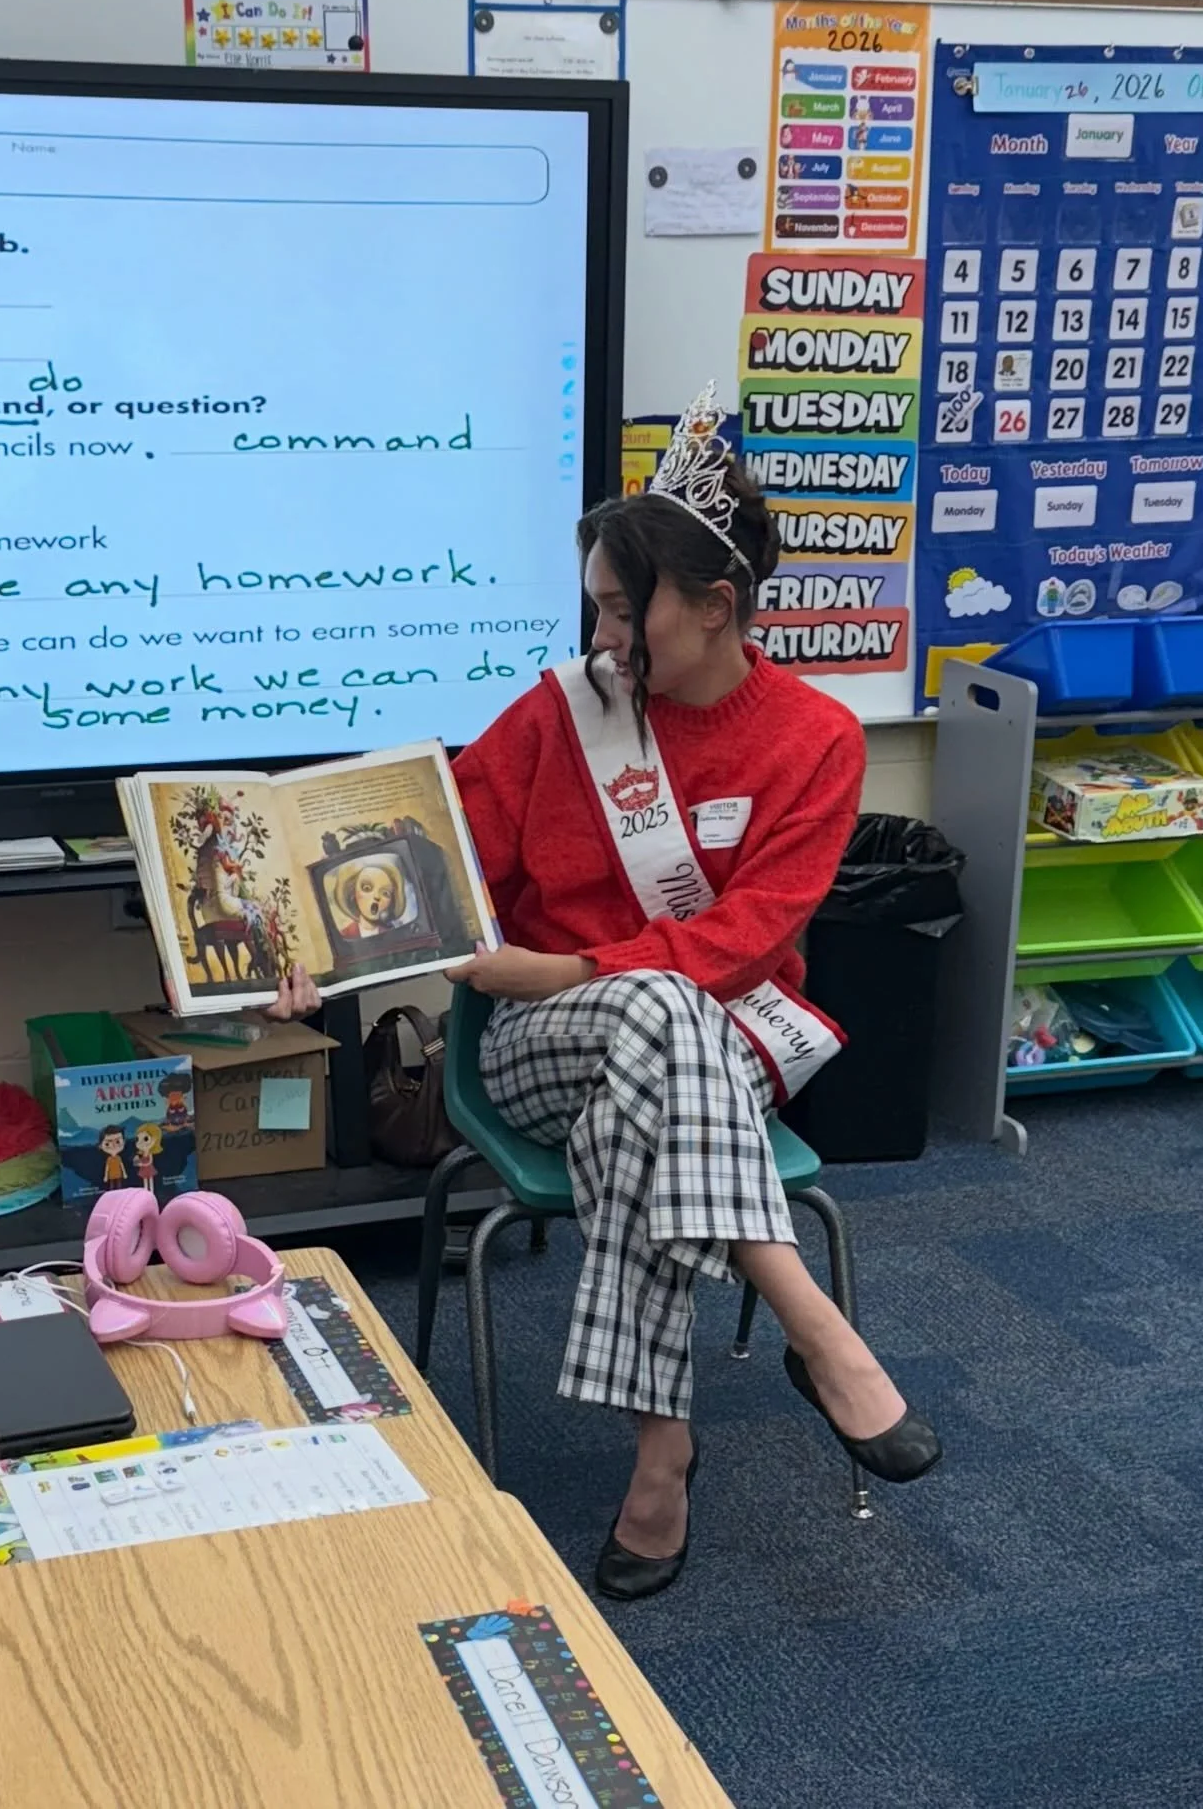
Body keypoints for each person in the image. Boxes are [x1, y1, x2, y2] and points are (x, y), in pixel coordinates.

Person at [271, 382, 941, 1599]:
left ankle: (660, 1457)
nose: (600, 645)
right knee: (659, 1014)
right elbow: (430, 856)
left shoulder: (816, 742)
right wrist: (307, 941)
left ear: (718, 607)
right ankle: (814, 1322)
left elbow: (745, 942)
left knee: (662, 1037)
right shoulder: (556, 716)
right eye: (594, 612)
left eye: (624, 616)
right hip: (531, 1041)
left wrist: (578, 963)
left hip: (714, 1037)